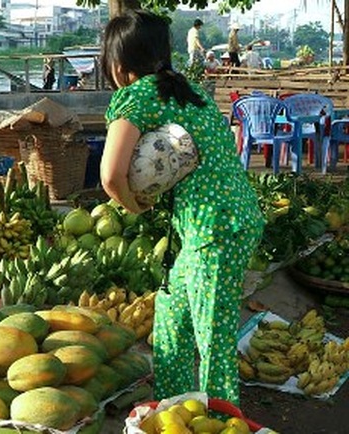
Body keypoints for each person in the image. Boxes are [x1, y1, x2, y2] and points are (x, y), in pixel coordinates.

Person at [99, 10, 264, 405]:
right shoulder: (189, 91)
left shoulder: (136, 94)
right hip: (219, 223)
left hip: (216, 228)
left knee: (214, 337)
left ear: (118, 66)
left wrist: (133, 206)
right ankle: (172, 410)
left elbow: (110, 175)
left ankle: (221, 422)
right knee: (171, 319)